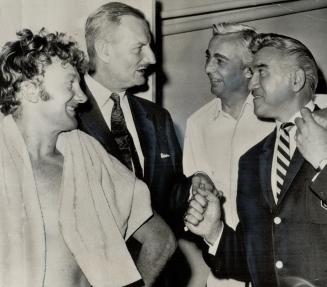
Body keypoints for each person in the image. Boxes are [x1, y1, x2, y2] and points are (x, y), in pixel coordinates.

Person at [0, 28, 154, 287]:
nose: (82, 97)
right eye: (71, 83)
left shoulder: (86, 155)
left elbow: (160, 239)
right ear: (30, 91)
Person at [184, 33, 327, 287]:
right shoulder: (250, 161)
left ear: (296, 80)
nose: (251, 85)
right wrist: (214, 231)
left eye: (262, 71)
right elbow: (252, 262)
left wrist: (324, 163)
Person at [182, 23, 274, 287]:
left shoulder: (276, 118)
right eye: (208, 58)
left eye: (219, 60)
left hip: (272, 270)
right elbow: (195, 203)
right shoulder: (197, 124)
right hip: (222, 272)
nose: (208, 68)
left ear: (249, 70)